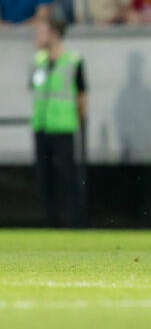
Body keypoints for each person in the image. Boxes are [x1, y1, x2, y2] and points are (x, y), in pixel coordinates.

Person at [30, 16, 87, 227]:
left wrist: (81, 119)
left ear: (53, 34)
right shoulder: (38, 61)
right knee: (44, 178)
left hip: (63, 126)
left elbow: (81, 94)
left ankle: (76, 223)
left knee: (68, 177)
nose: (37, 37)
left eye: (41, 33)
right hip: (41, 126)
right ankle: (50, 223)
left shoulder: (73, 61)